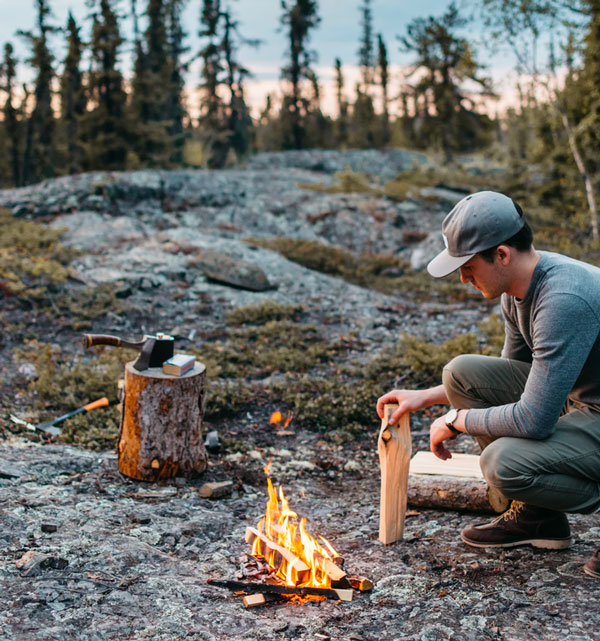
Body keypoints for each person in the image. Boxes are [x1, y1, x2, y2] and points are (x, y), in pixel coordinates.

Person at [376, 191, 600, 578]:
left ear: (502, 254)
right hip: (582, 402)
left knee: (503, 464)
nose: (462, 277)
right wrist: (427, 398)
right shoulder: (518, 291)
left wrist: (455, 421)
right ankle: (538, 518)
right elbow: (513, 373)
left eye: (468, 265)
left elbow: (533, 419)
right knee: (461, 373)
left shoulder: (562, 299)